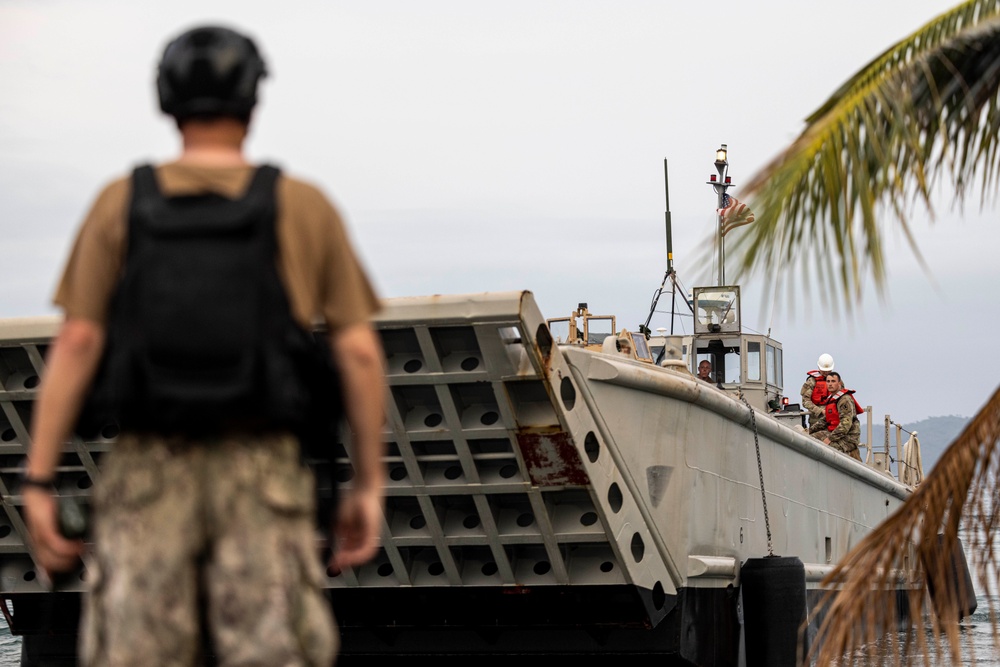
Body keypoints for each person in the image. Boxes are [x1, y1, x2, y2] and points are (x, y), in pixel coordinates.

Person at [21, 26, 386, 666]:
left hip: (147, 472)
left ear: (166, 99)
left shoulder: (119, 203)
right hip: (263, 472)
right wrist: (368, 483)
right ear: (253, 100)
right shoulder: (303, 206)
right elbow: (357, 353)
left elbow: (78, 340)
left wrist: (40, 479)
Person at [813, 372, 864, 461]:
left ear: (839, 383)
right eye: (828, 381)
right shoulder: (832, 399)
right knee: (812, 438)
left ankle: (853, 455)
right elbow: (825, 420)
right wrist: (809, 430)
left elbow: (845, 425)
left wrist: (830, 439)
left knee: (826, 447)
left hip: (849, 437)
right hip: (835, 433)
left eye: (833, 381)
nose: (830, 384)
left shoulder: (844, 400)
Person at [800, 353, 834, 428]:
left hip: (833, 420)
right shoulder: (811, 381)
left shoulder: (837, 381)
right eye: (824, 370)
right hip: (816, 421)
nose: (826, 373)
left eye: (828, 371)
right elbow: (805, 401)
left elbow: (843, 399)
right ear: (819, 367)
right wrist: (820, 411)